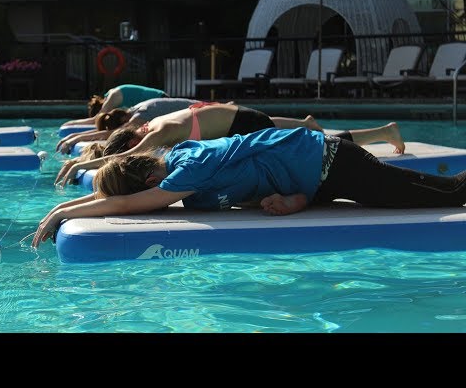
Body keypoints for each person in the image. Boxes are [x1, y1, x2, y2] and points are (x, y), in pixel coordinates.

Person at [31, 127, 466, 247]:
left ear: (148, 182)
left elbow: (127, 205)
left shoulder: (188, 170)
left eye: (145, 194)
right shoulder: (181, 170)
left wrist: (61, 213)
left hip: (332, 163)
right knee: (435, 192)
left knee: (448, 195)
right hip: (317, 177)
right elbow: (123, 199)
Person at [54, 102, 404, 186]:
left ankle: (383, 132)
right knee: (313, 140)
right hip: (238, 118)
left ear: (132, 139)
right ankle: (379, 132)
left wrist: (79, 164)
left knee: (319, 144)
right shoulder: (155, 127)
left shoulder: (154, 134)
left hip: (243, 123)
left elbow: (132, 155)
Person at [56, 97, 199, 154]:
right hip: (198, 111)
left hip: (200, 112)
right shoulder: (136, 108)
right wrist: (74, 136)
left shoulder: (140, 116)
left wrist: (75, 138)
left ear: (124, 119)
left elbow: (111, 134)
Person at [61, 84, 169, 127]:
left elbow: (95, 119)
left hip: (161, 100)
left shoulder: (112, 97)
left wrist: (70, 123)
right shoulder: (112, 93)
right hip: (160, 99)